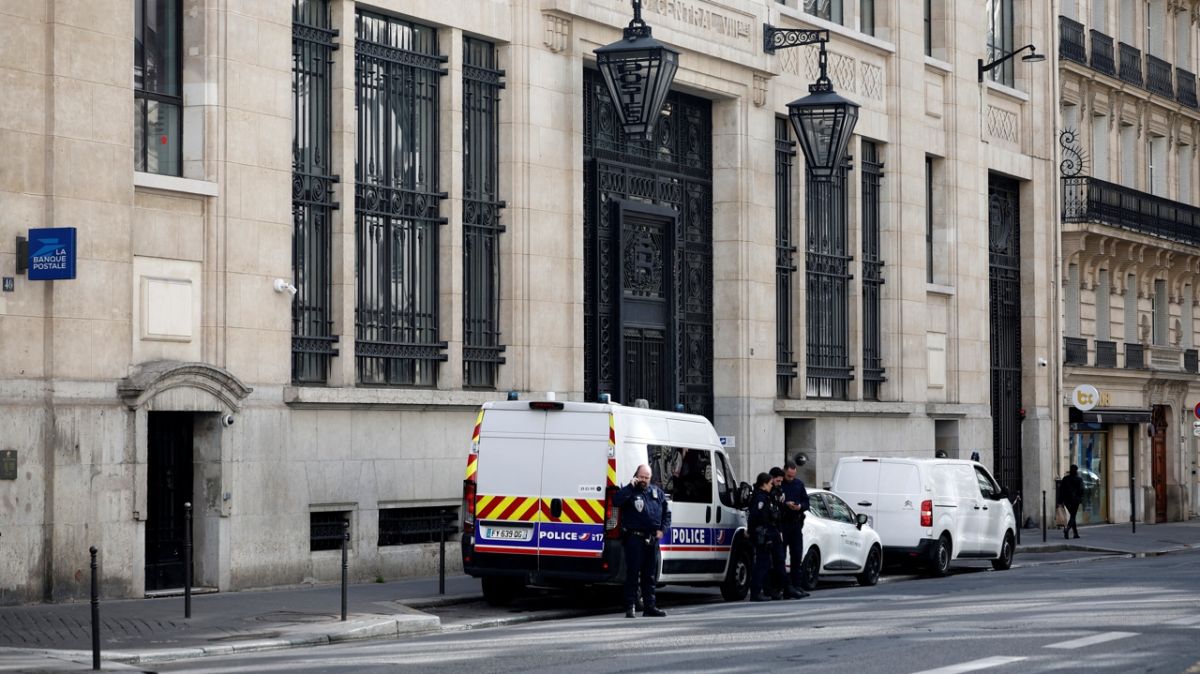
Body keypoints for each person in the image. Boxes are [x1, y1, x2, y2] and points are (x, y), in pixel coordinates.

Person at [613, 464, 671, 618]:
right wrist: (629, 487)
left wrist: (662, 530)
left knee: (649, 575)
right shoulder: (630, 491)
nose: (644, 480)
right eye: (641, 477)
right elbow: (616, 501)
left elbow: (666, 514)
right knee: (633, 574)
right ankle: (630, 606)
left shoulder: (656, 492)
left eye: (647, 477)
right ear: (636, 476)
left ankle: (649, 606)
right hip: (635, 538)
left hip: (652, 539)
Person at [748, 472, 804, 602]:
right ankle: (756, 592)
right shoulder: (760, 498)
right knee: (763, 563)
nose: (771, 486)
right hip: (764, 533)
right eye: (770, 484)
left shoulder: (769, 496)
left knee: (777, 561)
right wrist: (755, 533)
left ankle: (785, 588)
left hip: (772, 531)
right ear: (764, 484)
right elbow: (756, 517)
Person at [779, 461, 811, 598]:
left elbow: (806, 502)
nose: (791, 478)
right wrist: (785, 504)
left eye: (793, 476)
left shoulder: (799, 484)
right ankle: (783, 586)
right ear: (784, 471)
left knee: (797, 555)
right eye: (788, 476)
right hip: (783, 524)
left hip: (796, 524)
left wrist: (799, 507)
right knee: (780, 556)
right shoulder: (779, 484)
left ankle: (797, 585)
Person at [1061, 464, 1084, 539]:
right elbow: (1081, 490)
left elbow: (1061, 490)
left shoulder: (1065, 478)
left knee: (1072, 515)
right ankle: (1067, 529)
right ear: (1076, 471)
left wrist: (1060, 501)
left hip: (1066, 500)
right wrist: (1080, 498)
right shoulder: (1079, 479)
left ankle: (1075, 533)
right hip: (1075, 500)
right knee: (1073, 516)